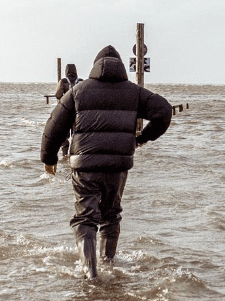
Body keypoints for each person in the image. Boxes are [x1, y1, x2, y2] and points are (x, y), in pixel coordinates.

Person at [40, 46, 172, 279]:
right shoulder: (134, 92)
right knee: (111, 215)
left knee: (85, 218)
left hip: (85, 166)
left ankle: (90, 273)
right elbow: (164, 111)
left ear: (94, 66)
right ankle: (108, 265)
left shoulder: (78, 91)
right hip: (117, 167)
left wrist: (49, 160)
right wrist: (142, 139)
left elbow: (54, 126)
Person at [54, 63, 83, 156]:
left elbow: (58, 95)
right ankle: (75, 155)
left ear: (66, 71)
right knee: (76, 134)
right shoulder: (81, 81)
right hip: (78, 112)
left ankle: (65, 155)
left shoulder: (63, 81)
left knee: (64, 136)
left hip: (65, 113)